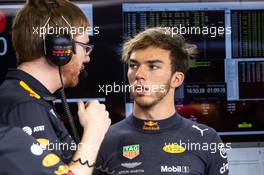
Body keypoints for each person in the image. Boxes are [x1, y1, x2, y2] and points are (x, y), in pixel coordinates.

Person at [93, 27, 229, 175]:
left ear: (176, 79)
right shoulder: (102, 140)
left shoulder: (207, 140)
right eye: (133, 65)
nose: (139, 74)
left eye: (153, 66)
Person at [0, 0, 111, 174]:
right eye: (84, 48)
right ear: (59, 48)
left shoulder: (27, 97)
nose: (87, 58)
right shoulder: (25, 107)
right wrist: (94, 132)